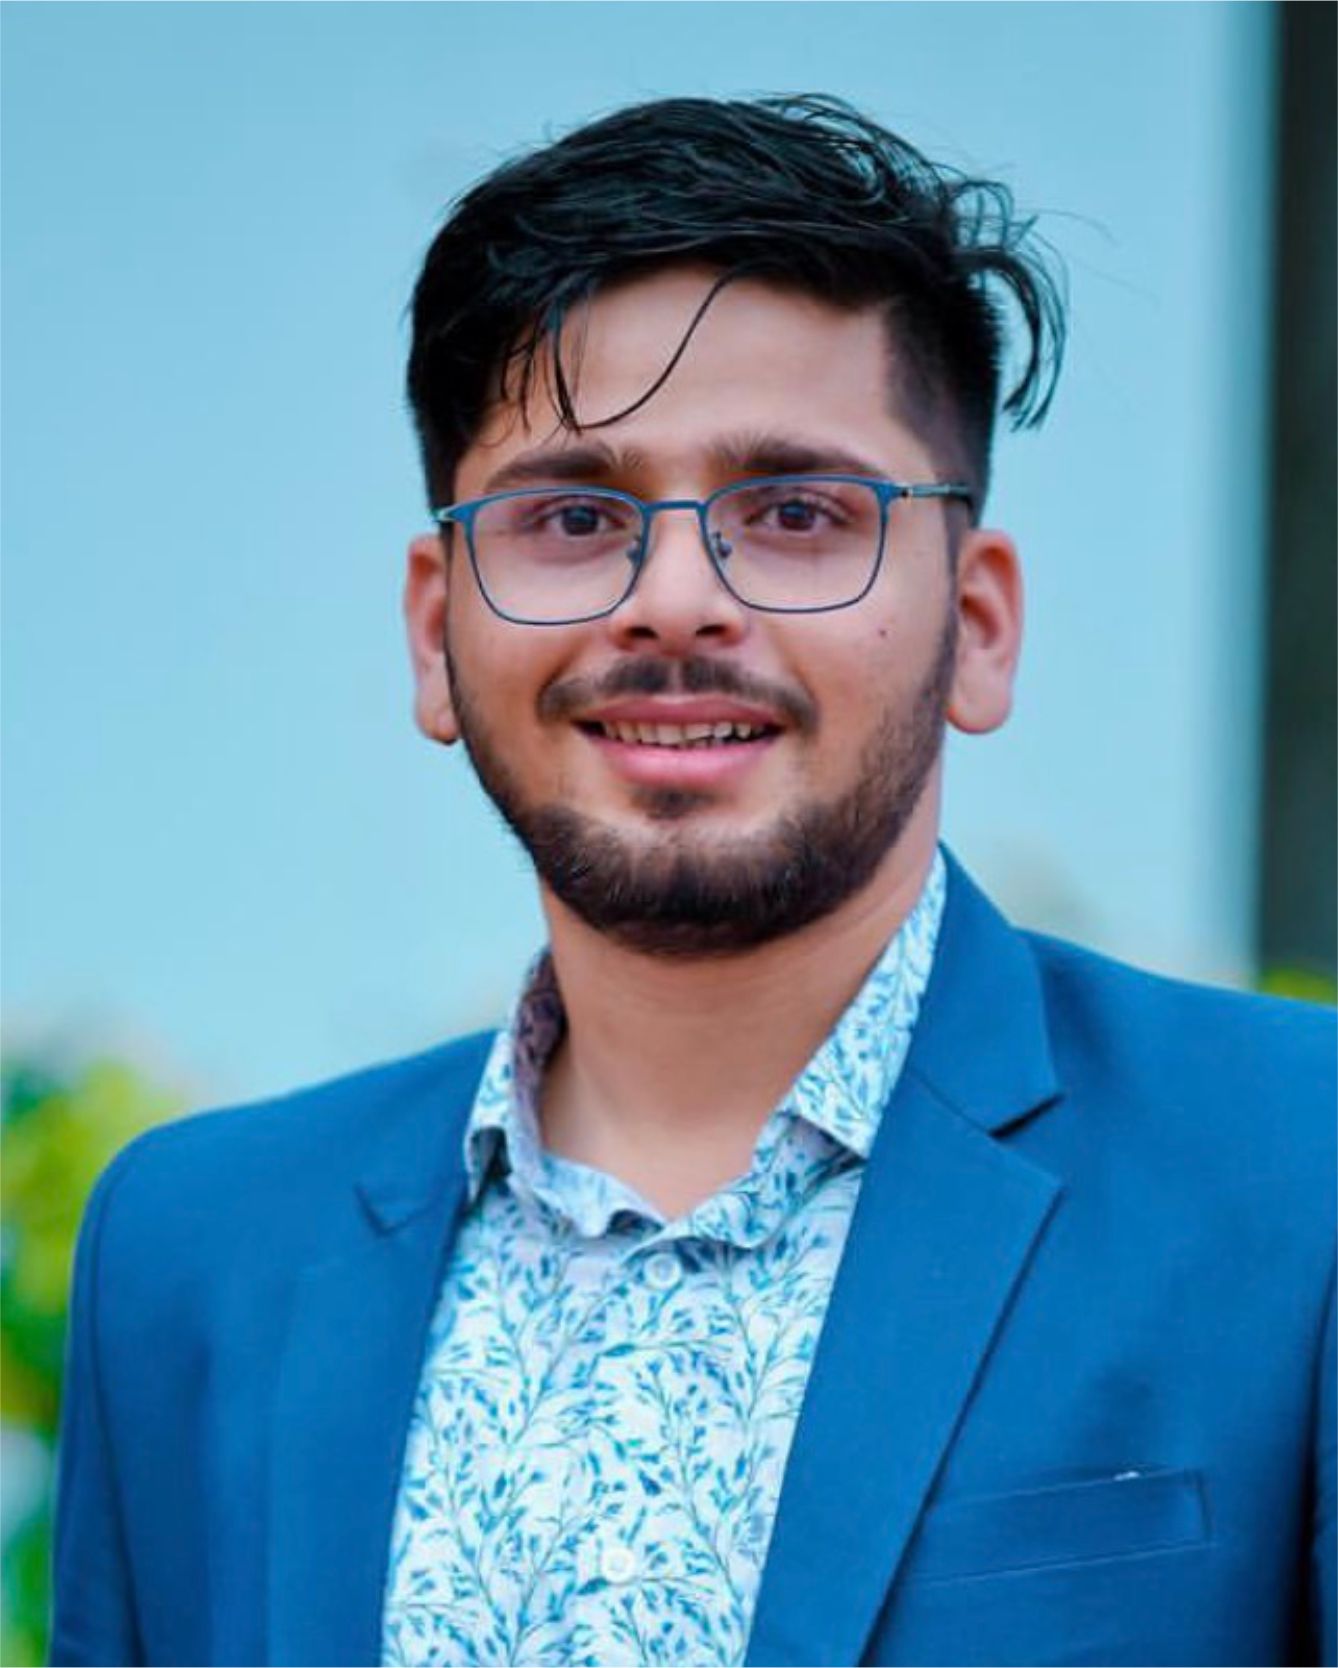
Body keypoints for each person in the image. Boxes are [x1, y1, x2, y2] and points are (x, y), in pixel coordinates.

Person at [51, 95, 1334, 1668]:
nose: (671, 602)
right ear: (433, 626)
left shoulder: (1297, 1172)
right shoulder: (193, 1255)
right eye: (572, 516)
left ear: (978, 624)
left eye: (795, 513)